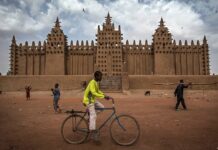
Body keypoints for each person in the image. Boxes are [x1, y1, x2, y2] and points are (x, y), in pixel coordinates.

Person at [83, 71, 110, 142]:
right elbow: (94, 92)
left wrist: (104, 94)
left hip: (92, 100)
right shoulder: (92, 82)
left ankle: (88, 117)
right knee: (94, 115)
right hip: (88, 101)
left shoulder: (96, 83)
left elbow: (98, 91)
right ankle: (92, 133)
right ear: (96, 76)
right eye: (100, 76)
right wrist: (103, 97)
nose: (101, 78)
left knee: (102, 107)